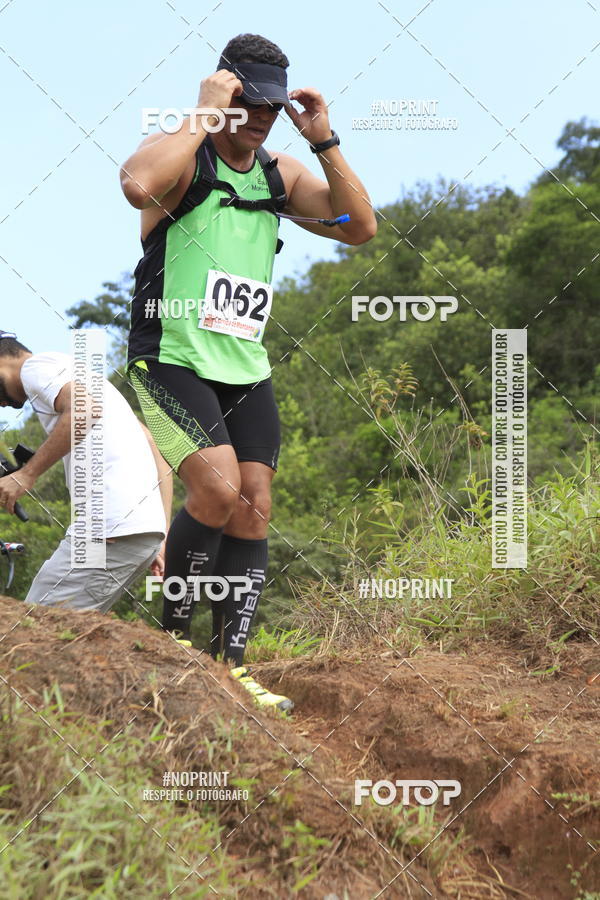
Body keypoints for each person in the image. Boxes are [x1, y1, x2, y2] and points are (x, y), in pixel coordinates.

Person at [120, 33, 377, 712]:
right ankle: (170, 648)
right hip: (170, 354)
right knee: (215, 490)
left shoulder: (279, 173)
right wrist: (202, 114)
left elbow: (359, 227)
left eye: (272, 106)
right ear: (225, 92)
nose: (261, 117)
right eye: (249, 103)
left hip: (243, 366)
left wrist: (323, 140)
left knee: (254, 505)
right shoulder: (184, 161)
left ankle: (230, 666)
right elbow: (135, 185)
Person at [0, 332, 171, 612]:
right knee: (64, 630)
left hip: (109, 526)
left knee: (37, 621)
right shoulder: (91, 381)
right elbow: (153, 445)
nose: (2, 404)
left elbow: (84, 409)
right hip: (137, 530)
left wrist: (26, 475)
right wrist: (161, 531)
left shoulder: (35, 367)